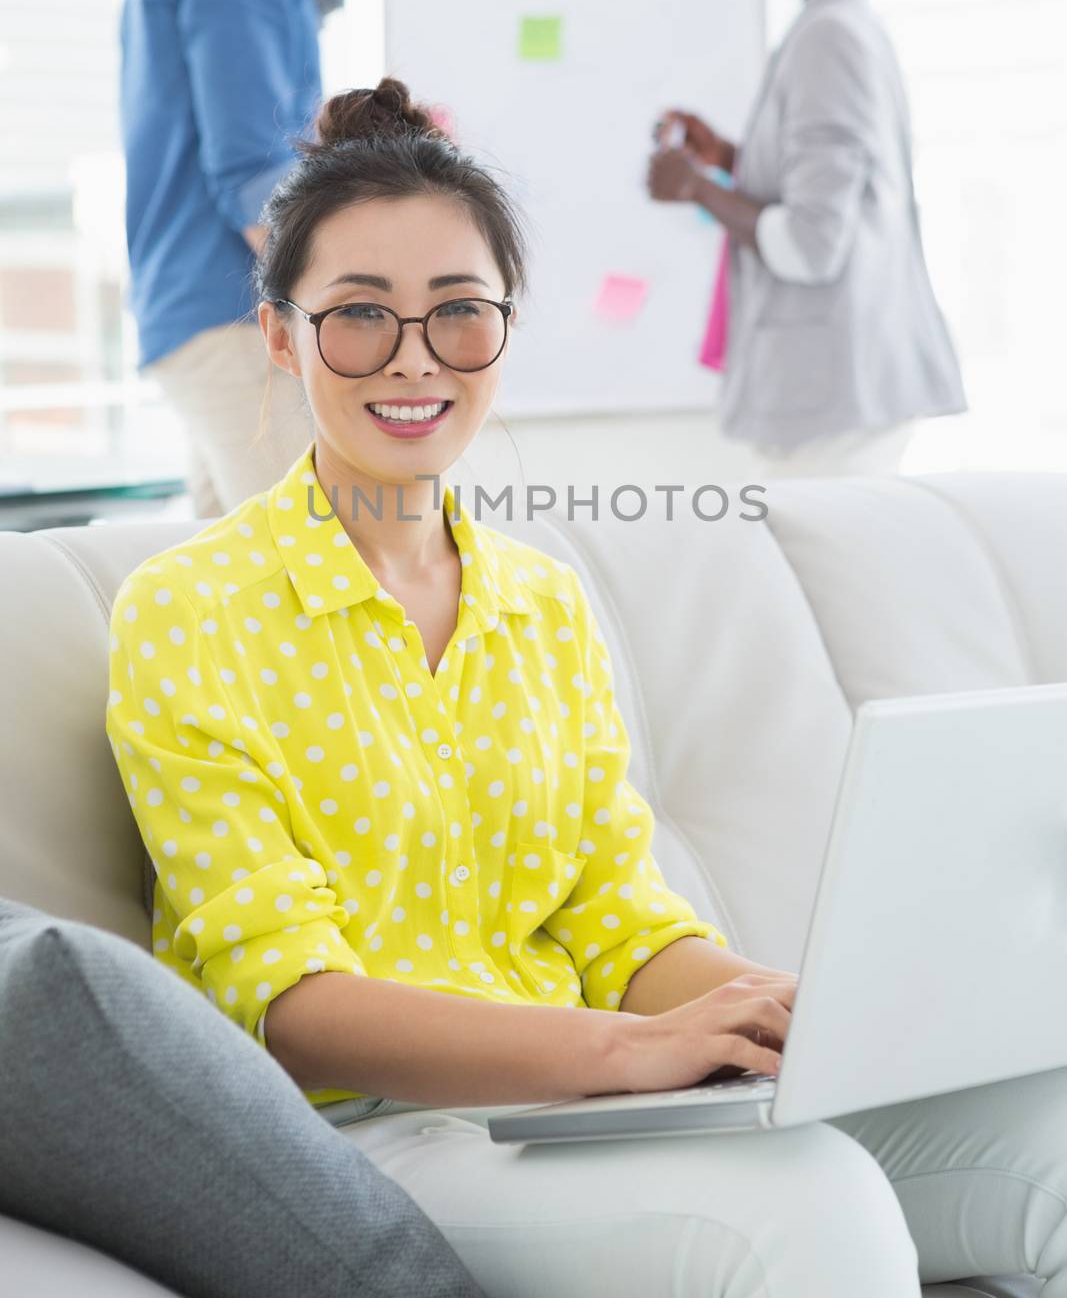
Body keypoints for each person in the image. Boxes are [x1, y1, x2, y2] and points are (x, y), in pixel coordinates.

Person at [106, 79, 1067, 1295]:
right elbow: (289, 999)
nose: (413, 358)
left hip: (585, 1109)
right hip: (367, 1137)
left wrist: (804, 1011)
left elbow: (615, 919)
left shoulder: (541, 607)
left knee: (1052, 1145)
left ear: (504, 328)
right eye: (359, 316)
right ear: (280, 335)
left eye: (459, 313)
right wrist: (625, 1051)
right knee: (810, 1210)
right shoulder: (193, 611)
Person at [648, 0, 967, 479]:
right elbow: (824, 187)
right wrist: (727, 158)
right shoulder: (837, 26)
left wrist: (695, 186)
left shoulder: (829, 39)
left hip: (836, 401)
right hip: (841, 394)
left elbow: (814, 243)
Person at [120, 0, 362, 518]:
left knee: (226, 601)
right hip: (229, 312)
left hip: (201, 308)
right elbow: (251, 168)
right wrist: (337, 313)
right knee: (321, 565)